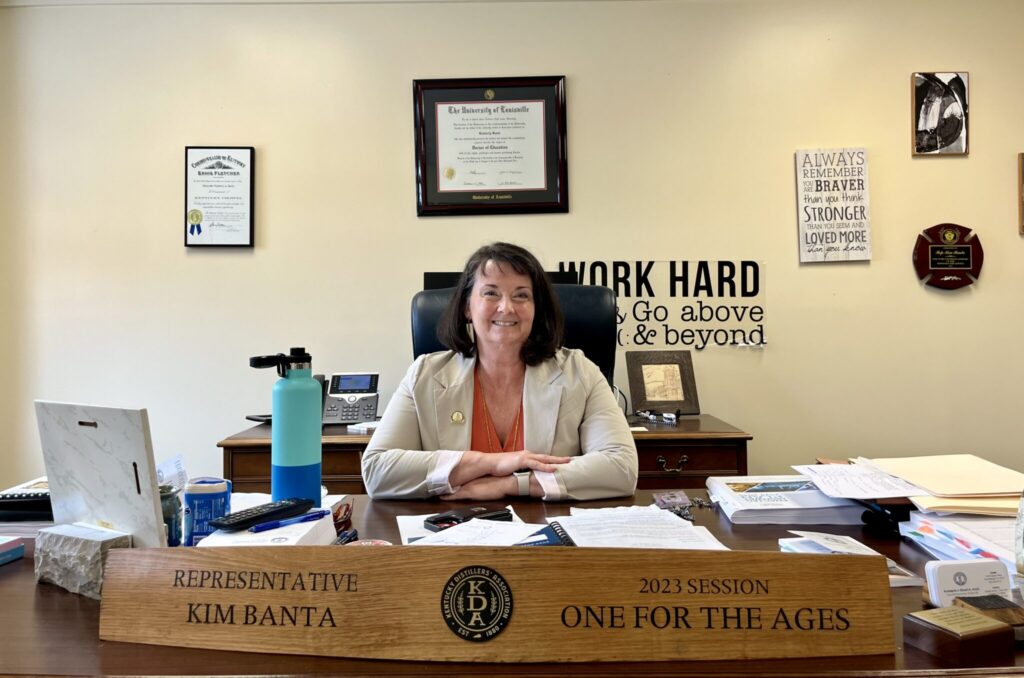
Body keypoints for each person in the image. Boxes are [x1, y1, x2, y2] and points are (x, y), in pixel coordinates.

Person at [361, 242, 638, 501]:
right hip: (453, 534)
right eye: (491, 293)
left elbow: (622, 467)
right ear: (467, 307)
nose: (506, 307)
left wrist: (511, 484)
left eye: (522, 295)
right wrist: (491, 462)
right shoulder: (424, 374)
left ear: (536, 309)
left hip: (549, 535)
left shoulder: (580, 372)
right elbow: (376, 470)